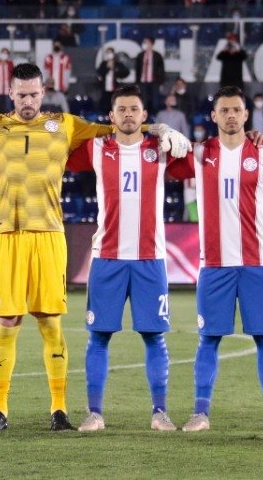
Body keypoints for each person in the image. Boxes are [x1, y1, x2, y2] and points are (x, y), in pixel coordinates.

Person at [0, 63, 189, 432]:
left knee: (51, 323)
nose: (28, 101)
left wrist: (158, 128)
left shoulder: (65, 125)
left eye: (34, 93)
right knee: (7, 322)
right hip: (7, 236)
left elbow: (118, 127)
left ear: (43, 91)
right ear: (11, 93)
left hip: (50, 235)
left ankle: (59, 411)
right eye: (21, 94)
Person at [65, 86, 195, 432]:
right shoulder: (95, 148)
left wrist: (172, 134)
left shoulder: (160, 150)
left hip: (150, 258)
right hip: (106, 256)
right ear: (111, 116)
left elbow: (203, 162)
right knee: (99, 337)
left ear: (143, 116)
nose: (127, 115)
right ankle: (94, 413)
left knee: (154, 337)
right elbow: (61, 139)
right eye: (120, 109)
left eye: (133, 109)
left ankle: (160, 412)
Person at [180, 87, 263, 433]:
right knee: (209, 339)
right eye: (224, 110)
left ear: (246, 115)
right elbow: (153, 152)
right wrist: (159, 130)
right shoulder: (199, 154)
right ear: (213, 116)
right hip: (215, 264)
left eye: (237, 110)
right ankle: (200, 413)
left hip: (258, 262)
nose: (231, 115)